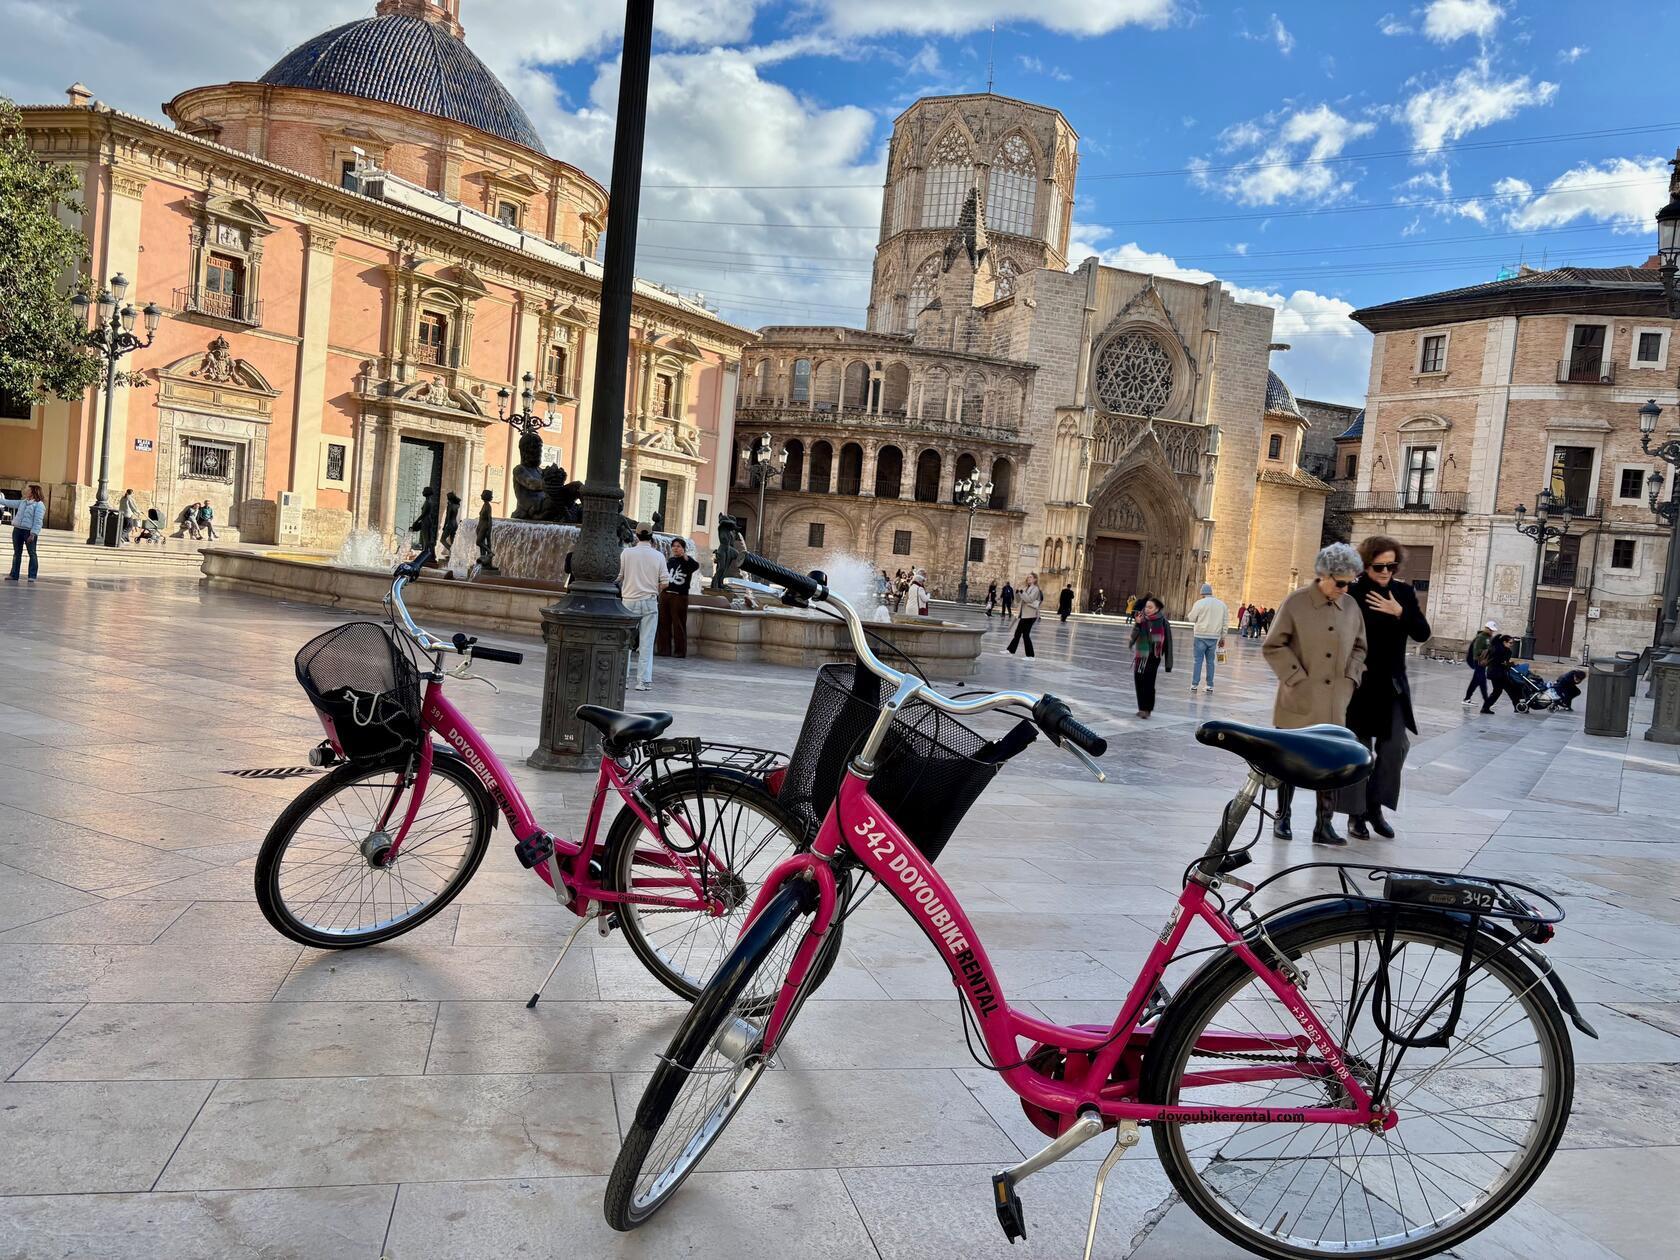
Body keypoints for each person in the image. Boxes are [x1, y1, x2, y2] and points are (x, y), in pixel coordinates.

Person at [1262, 543, 1368, 846]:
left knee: (1331, 764)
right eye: (1341, 583)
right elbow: (1273, 645)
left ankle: (1324, 825)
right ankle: (1282, 817)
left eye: (1350, 583)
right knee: (1289, 762)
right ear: (1324, 575)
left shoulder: (1351, 607)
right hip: (1298, 699)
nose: (1345, 589)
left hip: (1336, 702)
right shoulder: (1295, 603)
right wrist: (1296, 677)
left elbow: (1360, 647)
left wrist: (1351, 678)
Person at [1336, 537, 1431, 841]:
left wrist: (1400, 612)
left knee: (1396, 747)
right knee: (1358, 749)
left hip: (1391, 685)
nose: (1387, 571)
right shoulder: (1352, 593)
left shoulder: (1403, 593)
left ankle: (1374, 806)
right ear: (1366, 565)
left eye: (1392, 565)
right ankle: (1355, 813)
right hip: (1359, 684)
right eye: (1380, 567)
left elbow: (1422, 633)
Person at [618, 528, 668, 691]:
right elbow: (665, 582)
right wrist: (654, 590)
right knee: (646, 642)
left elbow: (619, 576)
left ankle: (622, 679)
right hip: (649, 601)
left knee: (625, 641)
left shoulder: (626, 553)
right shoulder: (659, 556)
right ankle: (643, 681)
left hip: (629, 601)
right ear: (651, 537)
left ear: (637, 536)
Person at [656, 538, 700, 658]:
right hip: (665, 595)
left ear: (683, 548)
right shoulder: (670, 561)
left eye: (679, 546)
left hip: (679, 596)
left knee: (678, 624)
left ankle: (680, 651)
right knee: (663, 623)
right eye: (674, 546)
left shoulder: (688, 561)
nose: (676, 548)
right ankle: (663, 650)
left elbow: (695, 566)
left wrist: (685, 557)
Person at [1129, 595, 1173, 717]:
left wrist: (1168, 664)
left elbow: (1168, 643)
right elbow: (1134, 636)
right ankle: (1141, 707)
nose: (1147, 609)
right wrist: (1138, 624)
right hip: (1141, 654)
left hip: (1154, 656)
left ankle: (1147, 709)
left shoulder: (1163, 622)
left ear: (1157, 609)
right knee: (1139, 680)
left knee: (1148, 682)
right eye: (1146, 607)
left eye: (1150, 607)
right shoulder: (1141, 619)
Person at [1187, 582, 1229, 694]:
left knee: (1198, 661)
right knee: (1210, 662)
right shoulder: (1222, 605)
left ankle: (1194, 684)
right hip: (1214, 637)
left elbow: (1191, 618)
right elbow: (1225, 623)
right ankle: (1209, 685)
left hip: (1200, 636)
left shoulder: (1199, 603)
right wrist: (1223, 637)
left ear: (1202, 593)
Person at [6, 484, 45, 582]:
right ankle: (14, 575)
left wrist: (33, 534)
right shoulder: (23, 502)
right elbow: (8, 502)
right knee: (17, 553)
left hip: (29, 532)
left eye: (28, 490)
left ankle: (32, 575)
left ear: (33, 492)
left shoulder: (39, 505)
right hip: (17, 530)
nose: (26, 491)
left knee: (32, 553)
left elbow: (38, 521)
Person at [1480, 634, 1522, 713]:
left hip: (1501, 673)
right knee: (1499, 691)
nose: (1512, 645)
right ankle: (1485, 708)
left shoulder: (1507, 650)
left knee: (1509, 690)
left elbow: (1504, 662)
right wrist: (1508, 664)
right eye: (1510, 643)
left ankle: (1518, 707)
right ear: (1504, 642)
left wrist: (1508, 664)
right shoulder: (1497, 649)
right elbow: (1497, 661)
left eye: (1512, 643)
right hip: (1496, 673)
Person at [1006, 573, 1042, 655]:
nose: (1028, 578)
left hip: (1030, 615)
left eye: (1030, 577)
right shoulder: (1025, 588)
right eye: (1028, 577)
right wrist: (1017, 593)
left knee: (1025, 635)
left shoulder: (1035, 589)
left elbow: (1029, 599)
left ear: (1035, 579)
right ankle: (1010, 650)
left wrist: (1022, 592)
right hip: (1024, 615)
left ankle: (1030, 656)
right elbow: (1018, 600)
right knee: (1017, 633)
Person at [1463, 620, 1496, 707]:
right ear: (1486, 628)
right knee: (1482, 681)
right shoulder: (1481, 637)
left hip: (1482, 662)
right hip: (1478, 661)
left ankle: (1467, 698)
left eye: (1493, 630)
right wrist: (1488, 650)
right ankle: (1487, 701)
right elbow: (1476, 652)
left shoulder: (1488, 638)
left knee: (1476, 681)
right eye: (1490, 630)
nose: (1492, 631)